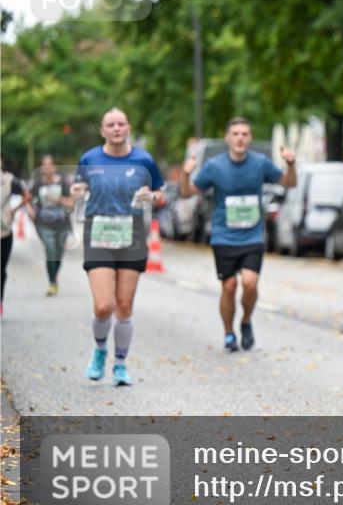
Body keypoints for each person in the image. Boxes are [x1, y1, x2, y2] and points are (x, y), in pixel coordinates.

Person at [180, 118, 296, 353]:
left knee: (250, 284)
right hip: (224, 235)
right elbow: (187, 193)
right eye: (235, 133)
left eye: (244, 134)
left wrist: (291, 165)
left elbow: (288, 183)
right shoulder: (215, 166)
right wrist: (185, 175)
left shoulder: (261, 163)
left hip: (252, 235)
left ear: (250, 138)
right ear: (227, 138)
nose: (240, 138)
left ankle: (245, 321)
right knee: (230, 286)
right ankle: (229, 333)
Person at [72, 108, 165, 386]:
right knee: (104, 306)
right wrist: (77, 192)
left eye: (120, 124)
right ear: (103, 130)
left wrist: (152, 196)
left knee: (124, 305)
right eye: (110, 125)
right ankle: (100, 351)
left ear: (128, 128)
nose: (116, 128)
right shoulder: (89, 159)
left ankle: (121, 364)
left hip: (132, 237)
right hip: (98, 235)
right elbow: (78, 190)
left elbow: (161, 193)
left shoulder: (143, 159)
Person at [28, 155, 73, 296]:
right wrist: (30, 211)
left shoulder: (63, 183)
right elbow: (27, 199)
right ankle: (52, 282)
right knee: (50, 249)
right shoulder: (37, 184)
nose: (47, 168)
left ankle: (54, 276)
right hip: (43, 223)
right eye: (44, 165)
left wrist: (57, 199)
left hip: (62, 223)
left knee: (58, 254)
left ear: (54, 167)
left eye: (49, 165)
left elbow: (70, 203)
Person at [1, 157, 31, 317]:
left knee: (1, 270)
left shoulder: (9, 181)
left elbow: (27, 195)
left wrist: (13, 211)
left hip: (4, 231)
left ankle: (0, 300)